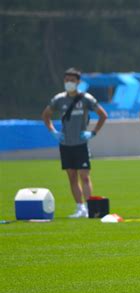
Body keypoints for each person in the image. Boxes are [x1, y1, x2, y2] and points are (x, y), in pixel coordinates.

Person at [42, 68, 108, 218]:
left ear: (78, 82)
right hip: (65, 144)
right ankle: (80, 208)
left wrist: (92, 132)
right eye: (66, 80)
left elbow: (103, 115)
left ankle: (91, 208)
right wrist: (53, 132)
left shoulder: (86, 98)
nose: (69, 83)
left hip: (81, 143)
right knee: (72, 177)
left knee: (84, 176)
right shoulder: (59, 99)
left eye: (72, 80)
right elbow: (46, 115)